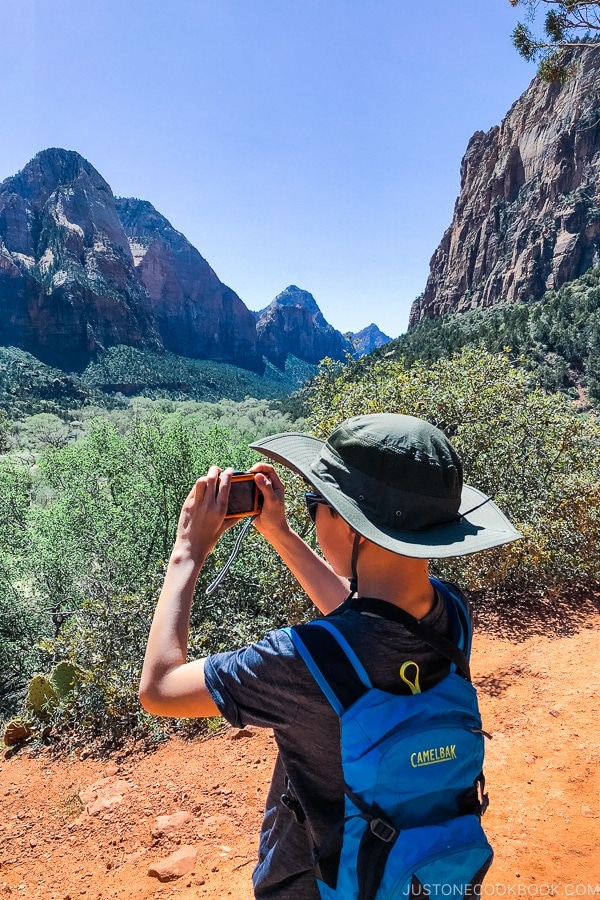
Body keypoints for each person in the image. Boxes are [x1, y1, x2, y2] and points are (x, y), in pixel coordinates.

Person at [139, 413, 521, 899]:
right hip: (421, 871)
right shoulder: (453, 615)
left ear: (351, 524)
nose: (311, 514)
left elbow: (159, 688)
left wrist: (187, 550)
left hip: (317, 885)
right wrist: (280, 533)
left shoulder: (300, 659)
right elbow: (364, 620)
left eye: (314, 504)